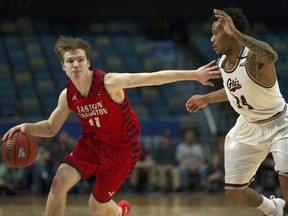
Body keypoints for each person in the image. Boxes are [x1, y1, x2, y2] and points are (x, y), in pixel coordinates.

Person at [1, 35, 220, 216]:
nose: (75, 64)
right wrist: (26, 127)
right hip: (92, 145)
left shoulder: (108, 82)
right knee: (58, 182)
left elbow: (152, 78)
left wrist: (194, 75)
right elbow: (50, 127)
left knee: (96, 207)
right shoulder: (67, 95)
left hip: (121, 150)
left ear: (88, 63)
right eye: (70, 61)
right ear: (63, 67)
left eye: (79, 59)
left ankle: (118, 212)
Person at [186, 7, 288, 216]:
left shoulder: (252, 57)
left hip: (280, 124)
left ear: (230, 31)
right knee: (234, 192)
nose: (212, 39)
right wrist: (206, 99)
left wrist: (238, 35)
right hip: (248, 125)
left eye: (216, 32)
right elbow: (235, 88)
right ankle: (274, 209)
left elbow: (272, 55)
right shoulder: (223, 63)